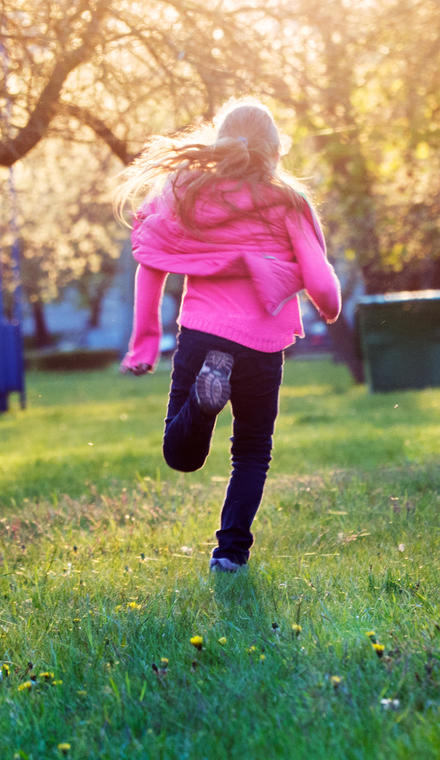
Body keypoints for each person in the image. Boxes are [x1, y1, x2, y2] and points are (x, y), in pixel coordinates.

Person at [113, 99, 342, 573]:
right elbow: (321, 282)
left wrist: (143, 342)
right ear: (276, 149)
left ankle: (202, 403)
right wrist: (331, 308)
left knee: (181, 456)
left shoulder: (186, 190)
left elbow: (150, 259)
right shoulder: (288, 200)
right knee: (252, 452)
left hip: (202, 336)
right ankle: (231, 554)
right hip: (263, 344)